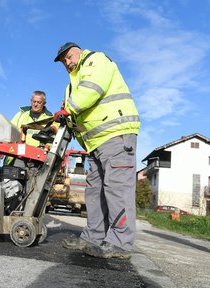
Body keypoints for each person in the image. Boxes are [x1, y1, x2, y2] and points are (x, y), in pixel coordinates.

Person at [53, 42, 140, 259]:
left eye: (69, 57)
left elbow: (91, 90)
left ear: (79, 52)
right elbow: (72, 115)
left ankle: (121, 243)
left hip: (116, 136)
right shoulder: (72, 84)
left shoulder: (95, 61)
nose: (67, 62)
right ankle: (93, 236)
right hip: (94, 144)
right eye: (63, 61)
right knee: (94, 193)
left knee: (117, 189)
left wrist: (67, 109)